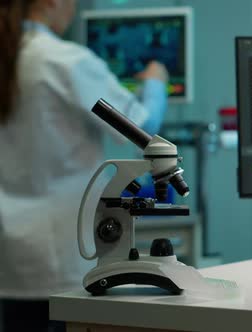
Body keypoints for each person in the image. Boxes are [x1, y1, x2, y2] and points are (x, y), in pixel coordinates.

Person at [0, 0, 170, 331]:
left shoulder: (10, 57)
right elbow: (142, 129)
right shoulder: (63, 61)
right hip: (60, 255)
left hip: (12, 255)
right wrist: (155, 82)